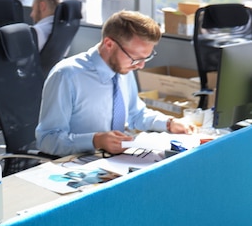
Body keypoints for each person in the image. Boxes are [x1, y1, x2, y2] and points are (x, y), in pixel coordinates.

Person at [35, 10, 195, 157]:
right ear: (109, 44)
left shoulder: (124, 68)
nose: (140, 66)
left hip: (117, 161)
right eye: (136, 58)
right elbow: (47, 140)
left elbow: (135, 113)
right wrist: (96, 140)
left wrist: (168, 123)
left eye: (146, 58)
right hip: (78, 163)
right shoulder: (67, 76)